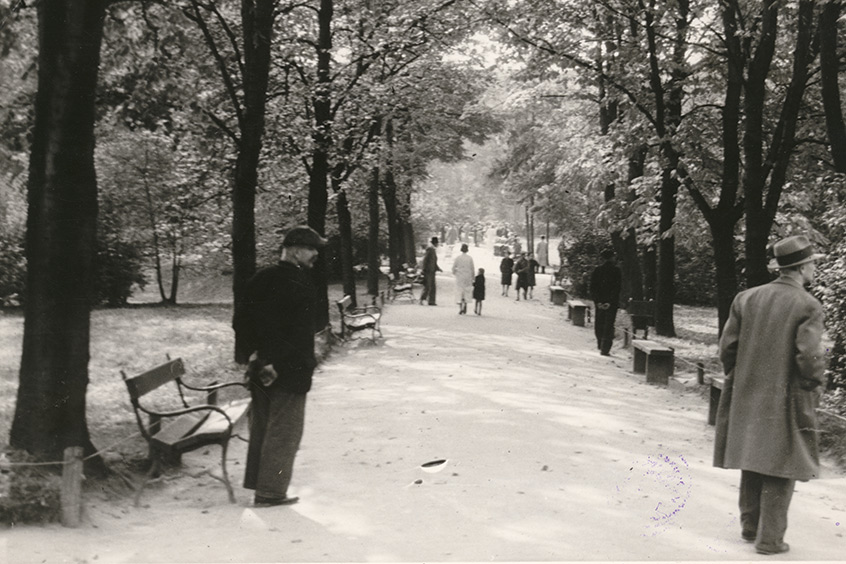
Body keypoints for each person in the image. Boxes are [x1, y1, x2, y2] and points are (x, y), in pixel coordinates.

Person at [714, 235, 826, 555]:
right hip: (787, 394)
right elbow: (809, 357)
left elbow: (727, 349)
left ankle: (750, 526)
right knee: (782, 460)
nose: (814, 268)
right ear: (802, 268)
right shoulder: (808, 304)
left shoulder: (746, 298)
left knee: (753, 454)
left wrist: (740, 378)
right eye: (812, 263)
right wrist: (813, 384)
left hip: (747, 390)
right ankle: (770, 539)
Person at [241, 225, 327, 507]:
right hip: (289, 371)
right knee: (285, 432)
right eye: (311, 248)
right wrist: (277, 362)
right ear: (295, 251)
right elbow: (298, 334)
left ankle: (259, 485)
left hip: (260, 367)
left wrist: (254, 357)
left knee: (262, 428)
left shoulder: (261, 278)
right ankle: (270, 492)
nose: (315, 254)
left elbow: (241, 321)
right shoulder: (300, 284)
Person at [590, 248, 622, 356]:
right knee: (609, 325)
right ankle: (605, 348)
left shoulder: (597, 270)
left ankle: (600, 343)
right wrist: (610, 302)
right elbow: (617, 288)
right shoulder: (616, 271)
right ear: (612, 257)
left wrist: (598, 302)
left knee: (599, 323)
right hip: (611, 303)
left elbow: (593, 288)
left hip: (599, 302)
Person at [452, 243, 475, 315]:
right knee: (466, 291)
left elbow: (453, 267)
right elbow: (472, 268)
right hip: (467, 276)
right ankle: (465, 304)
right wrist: (473, 277)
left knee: (460, 291)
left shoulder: (458, 258)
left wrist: (455, 273)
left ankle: (460, 307)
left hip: (460, 276)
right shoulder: (470, 258)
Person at [419, 236, 442, 305]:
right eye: (437, 243)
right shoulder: (430, 249)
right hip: (428, 271)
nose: (437, 244)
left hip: (432, 271)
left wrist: (438, 268)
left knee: (432, 286)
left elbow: (433, 262)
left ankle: (431, 301)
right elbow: (425, 260)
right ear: (435, 243)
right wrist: (424, 269)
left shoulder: (432, 249)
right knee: (428, 286)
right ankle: (423, 299)